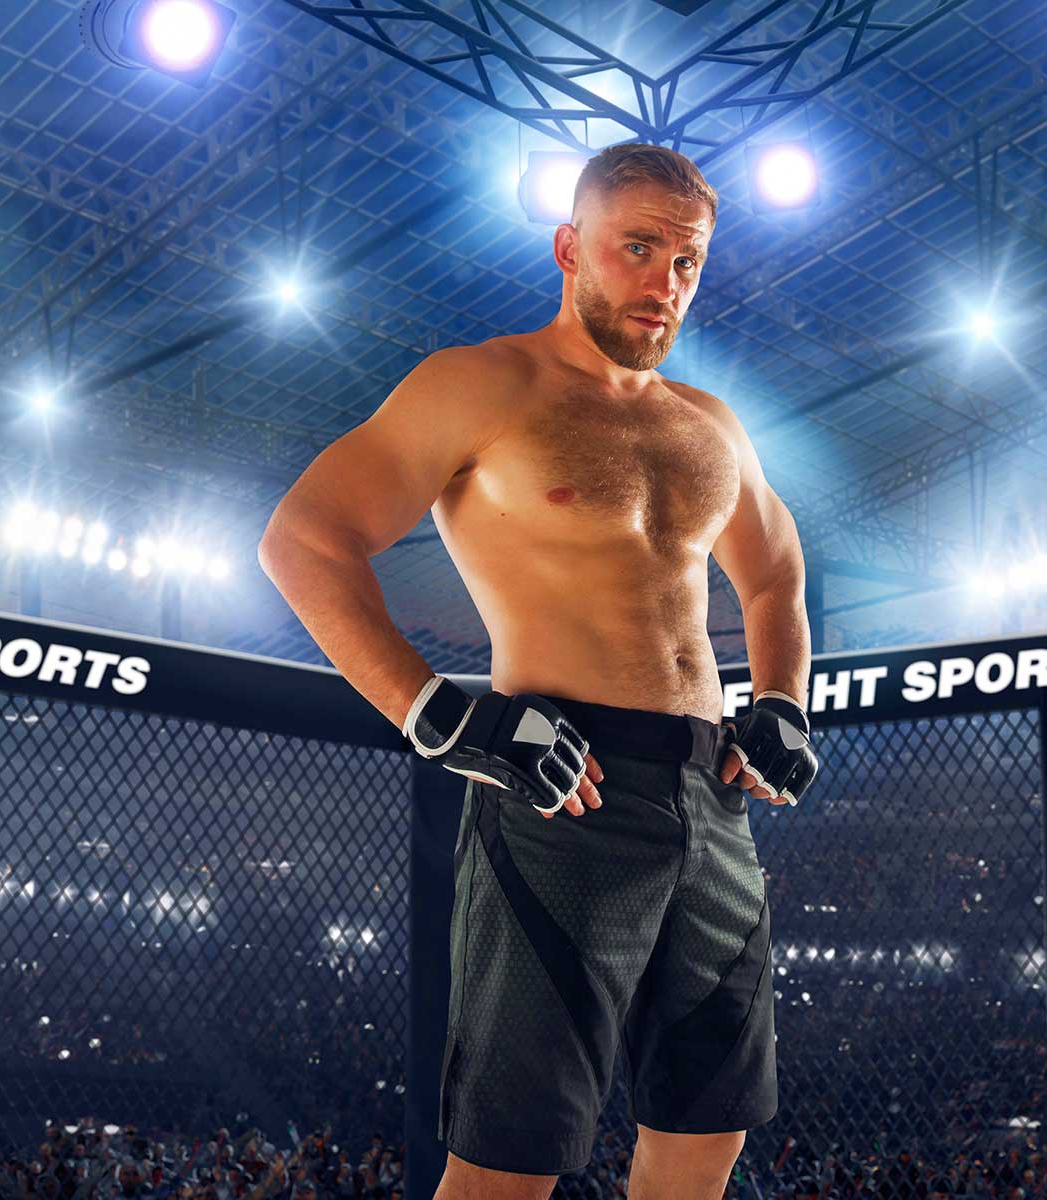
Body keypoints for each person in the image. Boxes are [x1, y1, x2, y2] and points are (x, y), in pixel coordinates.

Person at [259, 141, 821, 1199]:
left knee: (709, 1131)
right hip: (564, 784)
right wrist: (438, 718)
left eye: (688, 261)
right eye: (638, 248)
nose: (664, 282)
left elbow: (779, 575)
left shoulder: (711, 423)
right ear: (571, 248)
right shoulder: (481, 383)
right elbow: (304, 538)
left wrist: (783, 701)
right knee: (511, 1161)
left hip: (712, 795)